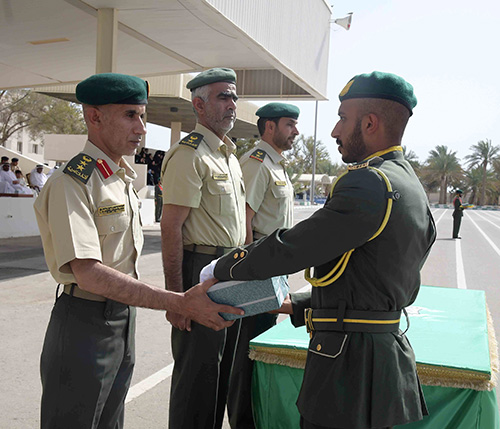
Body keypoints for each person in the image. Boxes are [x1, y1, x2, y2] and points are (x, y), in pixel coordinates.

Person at [201, 71, 437, 429]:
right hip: (381, 358)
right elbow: (373, 277)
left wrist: (221, 268)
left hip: (348, 369)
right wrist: (293, 304)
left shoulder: (369, 182)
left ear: (370, 123)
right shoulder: (408, 182)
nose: (334, 131)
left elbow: (294, 247)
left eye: (343, 118)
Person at [33, 72, 242, 429]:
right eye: (131, 115)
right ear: (94, 116)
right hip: (84, 320)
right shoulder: (74, 181)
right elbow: (89, 273)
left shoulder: (119, 178)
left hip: (121, 320)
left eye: (142, 116)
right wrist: (176, 300)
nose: (142, 128)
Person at [160, 67, 246, 429]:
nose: (232, 105)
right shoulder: (189, 155)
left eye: (234, 97)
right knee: (197, 378)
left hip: (231, 272)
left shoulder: (227, 154)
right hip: (201, 270)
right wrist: (176, 298)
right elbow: (171, 228)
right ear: (198, 104)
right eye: (223, 97)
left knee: (222, 375)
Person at [227, 101, 299, 429]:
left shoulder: (277, 164)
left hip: (274, 271)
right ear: (269, 127)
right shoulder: (257, 163)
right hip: (259, 270)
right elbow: (244, 218)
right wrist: (247, 275)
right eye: (289, 124)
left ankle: (256, 417)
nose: (296, 131)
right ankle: (244, 421)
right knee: (247, 353)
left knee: (262, 348)